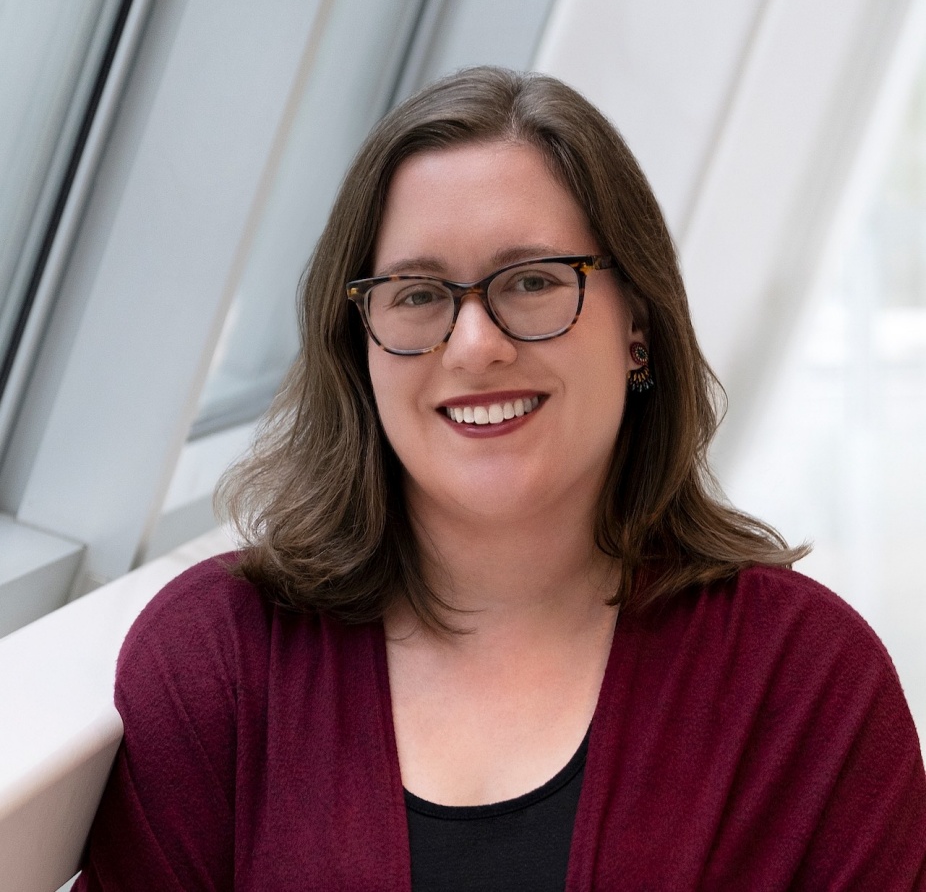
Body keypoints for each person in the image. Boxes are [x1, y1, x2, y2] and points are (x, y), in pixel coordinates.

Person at [75, 67, 926, 891]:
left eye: (532, 282)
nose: (476, 346)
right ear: (359, 345)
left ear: (637, 324)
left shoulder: (809, 681)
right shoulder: (216, 660)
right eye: (417, 294)